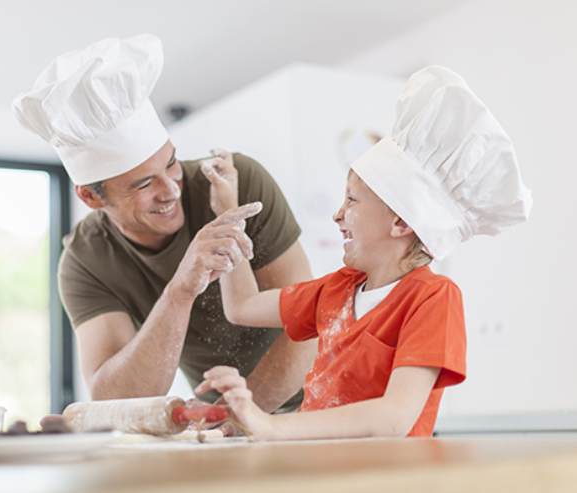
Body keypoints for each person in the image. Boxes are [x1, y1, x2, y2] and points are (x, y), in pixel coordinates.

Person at [196, 66, 533, 438]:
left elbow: (393, 419)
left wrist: (269, 424)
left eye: (352, 200)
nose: (337, 214)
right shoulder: (338, 289)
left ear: (401, 223)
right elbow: (242, 306)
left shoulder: (433, 298)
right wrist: (227, 215)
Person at [12, 34, 315, 411]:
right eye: (143, 183)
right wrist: (180, 290)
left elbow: (308, 324)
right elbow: (114, 398)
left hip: (320, 401)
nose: (170, 189)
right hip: (227, 420)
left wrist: (240, 415)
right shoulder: (86, 260)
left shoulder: (237, 182)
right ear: (91, 197)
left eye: (171, 162)